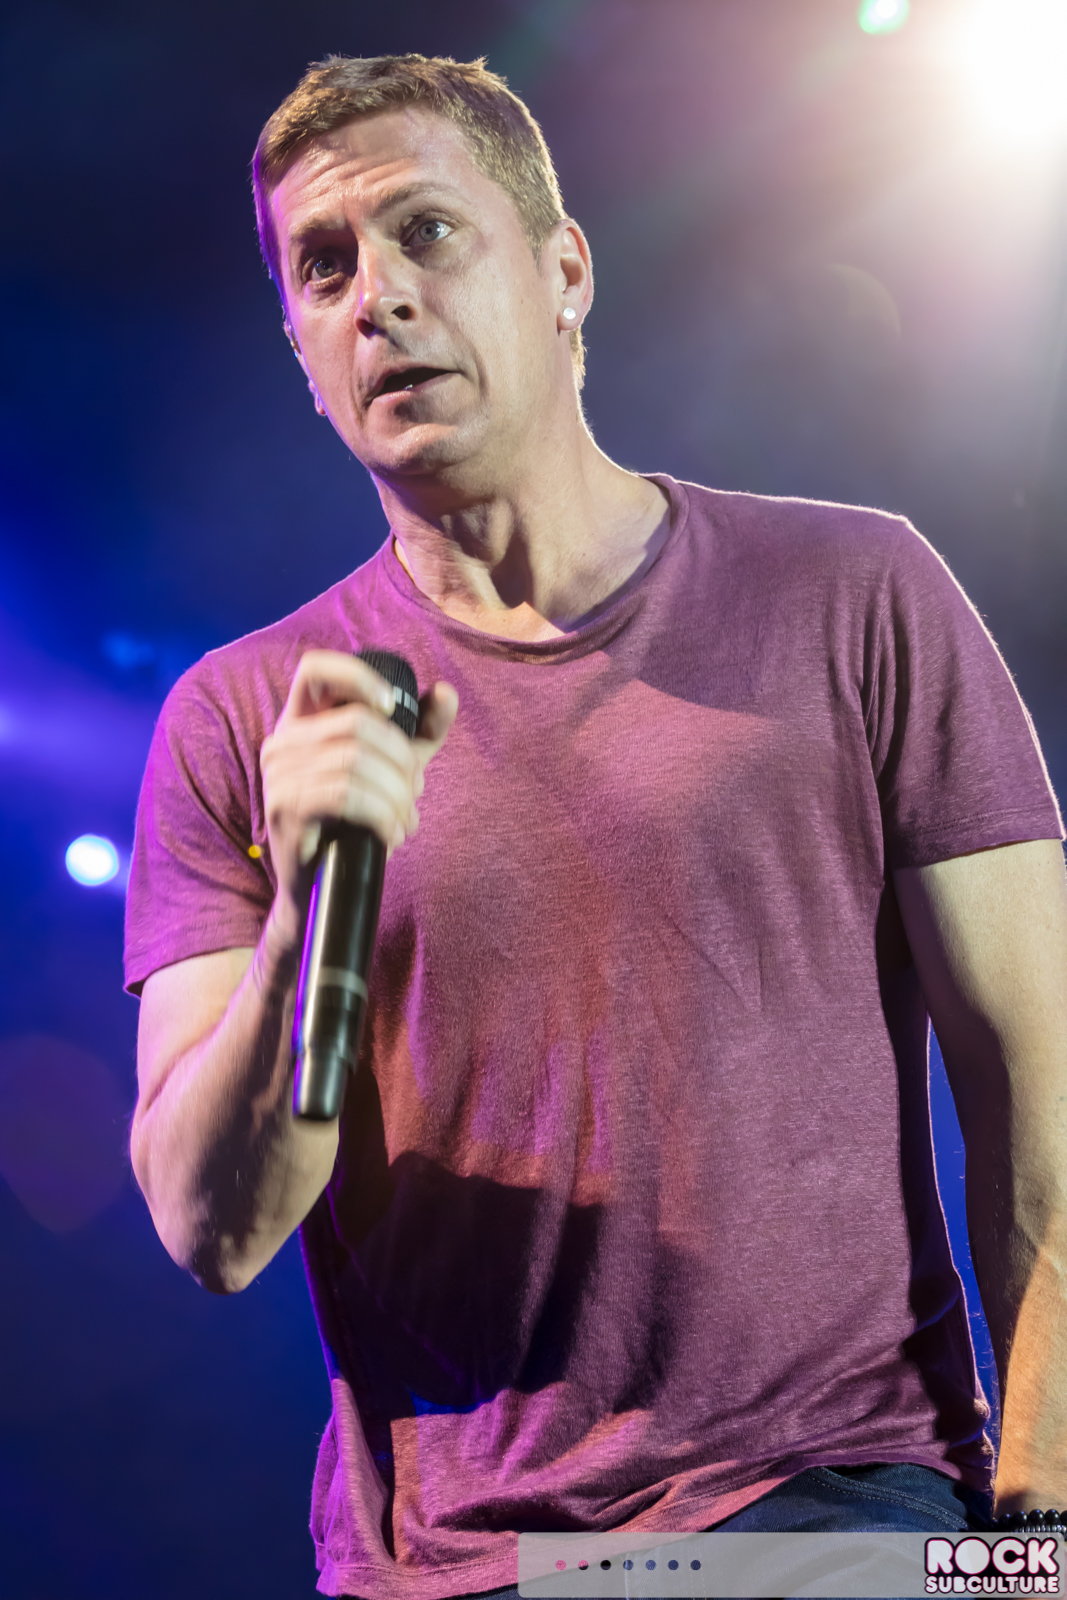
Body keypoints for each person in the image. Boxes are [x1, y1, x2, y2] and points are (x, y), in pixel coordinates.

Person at [124, 53, 1067, 1600]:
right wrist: (311, 911)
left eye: (428, 232)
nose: (379, 297)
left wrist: (1041, 1521)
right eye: (325, 267)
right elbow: (212, 1227)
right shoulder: (243, 719)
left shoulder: (858, 595)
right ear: (300, 349)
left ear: (565, 274)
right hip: (453, 1567)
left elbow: (1041, 1090)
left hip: (831, 1511)